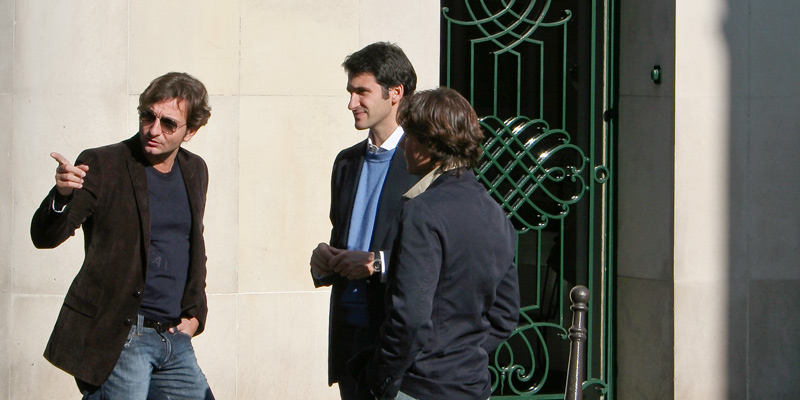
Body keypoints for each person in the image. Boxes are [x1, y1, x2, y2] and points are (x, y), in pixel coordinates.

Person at [30, 72, 215, 400]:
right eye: (148, 117)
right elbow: (46, 237)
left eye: (169, 123)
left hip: (173, 338)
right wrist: (61, 196)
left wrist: (196, 314)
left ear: (192, 131)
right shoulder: (103, 164)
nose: (154, 130)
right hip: (121, 337)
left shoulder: (195, 170)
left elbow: (192, 244)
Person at [358, 87, 521, 400]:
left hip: (422, 387)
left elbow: (410, 319)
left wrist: (380, 378)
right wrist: (462, 356)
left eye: (410, 136)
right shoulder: (494, 212)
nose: (403, 144)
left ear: (431, 144)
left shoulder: (423, 212)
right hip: (471, 386)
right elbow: (505, 314)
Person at [309, 42, 421, 400]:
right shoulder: (346, 163)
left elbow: (437, 255)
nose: (351, 103)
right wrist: (324, 259)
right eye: (350, 92)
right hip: (349, 337)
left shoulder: (423, 164)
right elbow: (342, 235)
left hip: (396, 340)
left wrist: (377, 264)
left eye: (362, 92)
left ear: (395, 94)